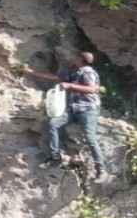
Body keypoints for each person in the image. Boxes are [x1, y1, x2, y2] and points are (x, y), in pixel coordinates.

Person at [23, 52, 109, 180]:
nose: (74, 59)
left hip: (87, 110)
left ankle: (101, 169)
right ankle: (55, 158)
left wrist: (70, 85)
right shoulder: (75, 73)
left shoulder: (88, 72)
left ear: (81, 59)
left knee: (90, 137)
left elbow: (91, 89)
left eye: (76, 57)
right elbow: (54, 77)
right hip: (73, 109)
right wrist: (31, 72)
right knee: (52, 124)